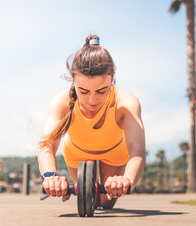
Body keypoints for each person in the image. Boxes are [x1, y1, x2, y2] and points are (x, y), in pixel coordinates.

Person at [38, 35, 146, 209]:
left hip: (115, 153)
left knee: (106, 202)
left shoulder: (127, 102)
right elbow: (46, 147)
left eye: (102, 91)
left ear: (113, 77)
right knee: (88, 199)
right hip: (77, 153)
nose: (93, 100)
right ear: (73, 80)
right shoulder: (60, 102)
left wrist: (126, 181)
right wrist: (50, 177)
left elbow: (137, 151)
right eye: (83, 91)